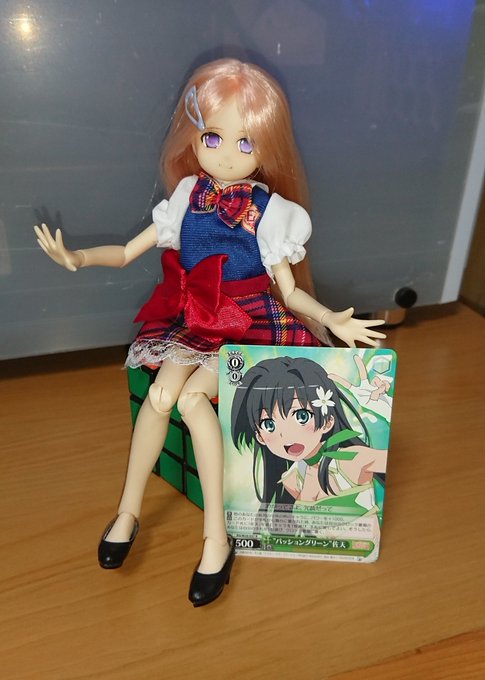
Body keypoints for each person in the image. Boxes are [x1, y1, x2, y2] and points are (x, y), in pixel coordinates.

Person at [34, 58, 385, 606]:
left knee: (193, 400)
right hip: (198, 318)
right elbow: (127, 251)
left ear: (267, 148)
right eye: (213, 137)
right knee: (159, 396)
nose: (225, 155)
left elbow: (288, 291)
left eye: (246, 143)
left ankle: (217, 540)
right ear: (193, 136)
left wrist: (330, 318)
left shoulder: (268, 212)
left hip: (249, 325)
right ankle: (127, 512)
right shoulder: (186, 197)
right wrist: (79, 258)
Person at [231, 356, 388, 541]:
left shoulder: (352, 460)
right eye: (269, 425)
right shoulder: (292, 479)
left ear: (328, 420)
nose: (287, 436)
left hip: (364, 554)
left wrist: (385, 410)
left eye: (301, 416)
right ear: (259, 436)